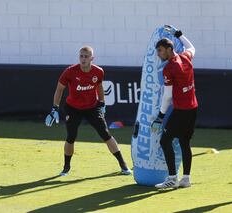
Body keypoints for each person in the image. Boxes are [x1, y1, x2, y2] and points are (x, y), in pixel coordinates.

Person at [45, 46, 132, 176]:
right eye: (81, 56)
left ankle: (123, 165)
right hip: (73, 108)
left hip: (92, 107)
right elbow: (59, 89)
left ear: (92, 58)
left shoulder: (98, 72)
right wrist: (54, 108)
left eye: (86, 56)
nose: (83, 59)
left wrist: (102, 102)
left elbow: (99, 87)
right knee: (71, 137)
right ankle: (66, 167)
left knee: (105, 134)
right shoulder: (70, 71)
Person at [151, 25, 198, 189]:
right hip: (193, 109)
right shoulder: (185, 57)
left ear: (170, 49)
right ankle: (186, 179)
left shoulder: (169, 68)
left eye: (161, 51)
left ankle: (171, 178)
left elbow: (168, 96)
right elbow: (192, 47)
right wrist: (180, 35)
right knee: (185, 142)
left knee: (165, 141)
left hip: (181, 111)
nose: (159, 54)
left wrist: (160, 116)